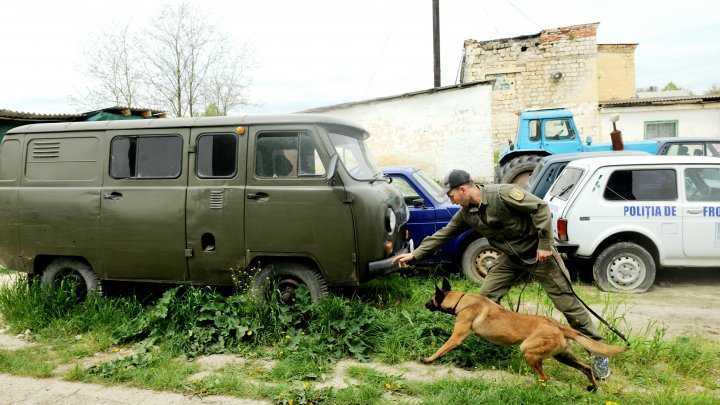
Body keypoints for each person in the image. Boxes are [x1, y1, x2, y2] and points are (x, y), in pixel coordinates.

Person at [392, 169, 611, 379]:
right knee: (485, 296)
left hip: (539, 254)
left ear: (463, 190)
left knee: (568, 305)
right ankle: (504, 337)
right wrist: (415, 255)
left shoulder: (503, 194)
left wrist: (545, 244)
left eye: (451, 195)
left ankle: (599, 353)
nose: (451, 201)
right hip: (511, 258)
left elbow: (541, 208)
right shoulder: (466, 214)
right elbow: (444, 234)